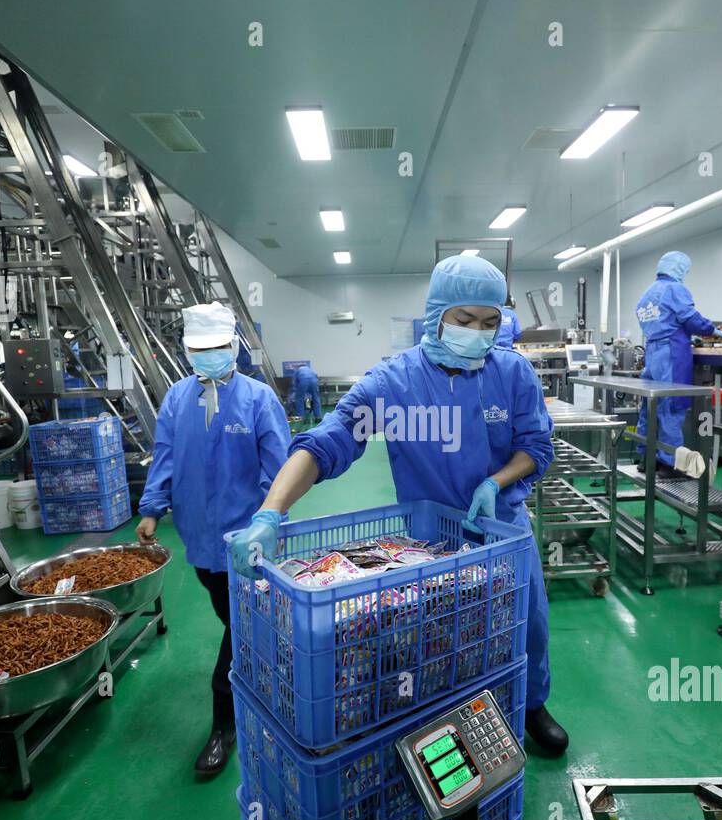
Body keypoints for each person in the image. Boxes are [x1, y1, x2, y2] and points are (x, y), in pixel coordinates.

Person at [229, 254, 570, 756]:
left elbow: (537, 447)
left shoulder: (512, 373)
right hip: (430, 544)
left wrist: (497, 481)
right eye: (466, 320)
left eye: (491, 322)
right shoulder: (396, 382)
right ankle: (448, 716)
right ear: (437, 316)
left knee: (527, 623)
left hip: (503, 529)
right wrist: (270, 513)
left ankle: (531, 704)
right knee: (440, 636)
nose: (479, 332)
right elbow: (327, 442)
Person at [135, 302, 291, 775]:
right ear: (187, 351)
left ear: (234, 346)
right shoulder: (177, 399)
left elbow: (281, 470)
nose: (209, 356)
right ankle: (263, 670)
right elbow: (163, 455)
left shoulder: (259, 399)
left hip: (249, 539)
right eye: (199, 349)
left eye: (217, 347)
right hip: (199, 538)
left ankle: (224, 722)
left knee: (240, 623)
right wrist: (151, 507)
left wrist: (269, 520)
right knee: (234, 615)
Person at [633, 251, 722, 466]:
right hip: (671, 352)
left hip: (653, 352)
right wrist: (711, 329)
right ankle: (669, 462)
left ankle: (647, 457)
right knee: (672, 407)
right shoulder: (675, 289)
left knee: (651, 405)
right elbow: (691, 318)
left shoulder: (647, 293)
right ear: (679, 268)